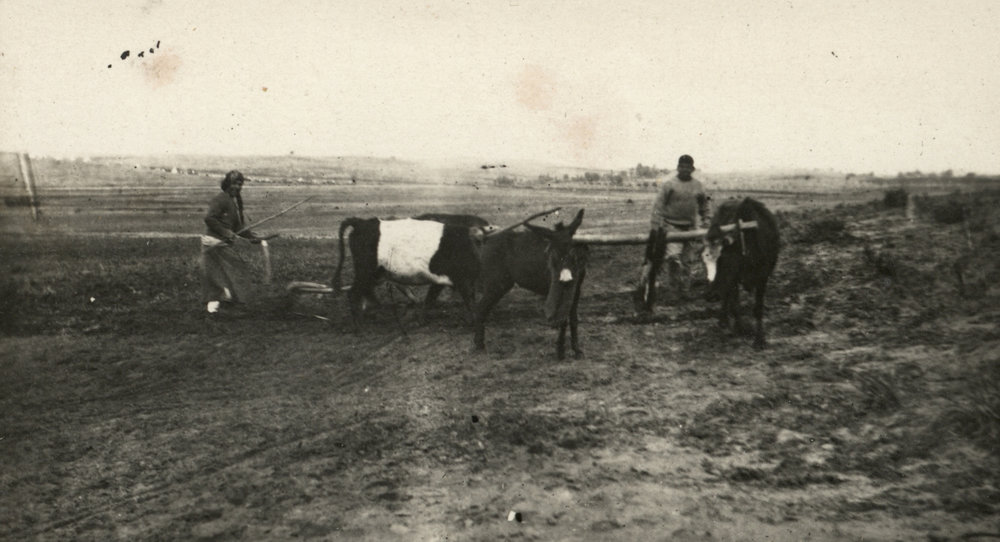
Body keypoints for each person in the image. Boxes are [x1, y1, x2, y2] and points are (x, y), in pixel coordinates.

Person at [636, 154, 711, 309]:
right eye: (681, 166)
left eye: (687, 167)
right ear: (677, 168)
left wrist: (707, 221)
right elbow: (659, 206)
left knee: (687, 261)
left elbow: (705, 206)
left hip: (690, 229)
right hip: (672, 228)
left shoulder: (698, 186)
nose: (684, 170)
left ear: (692, 169)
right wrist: (655, 226)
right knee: (673, 259)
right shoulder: (669, 185)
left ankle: (685, 291)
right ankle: (673, 292)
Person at [200, 170, 261, 315]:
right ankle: (235, 305)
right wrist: (226, 232)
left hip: (219, 243)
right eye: (235, 183)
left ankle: (220, 308)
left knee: (220, 275)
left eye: (240, 184)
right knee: (237, 270)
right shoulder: (221, 199)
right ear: (228, 183)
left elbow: (238, 227)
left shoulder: (232, 202)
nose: (238, 187)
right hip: (214, 243)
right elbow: (209, 218)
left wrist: (251, 237)